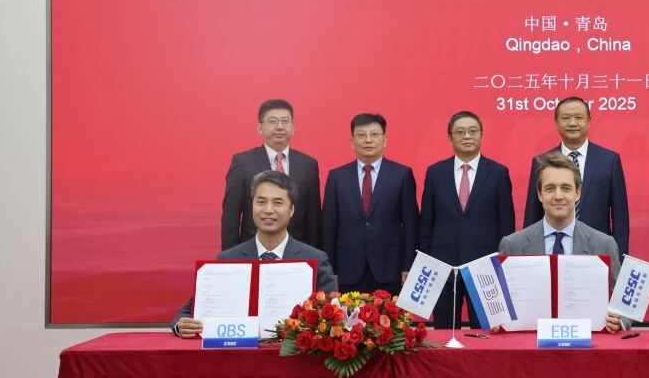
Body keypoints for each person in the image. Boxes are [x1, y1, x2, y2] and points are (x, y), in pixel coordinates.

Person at [175, 170, 337, 338]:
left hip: (292, 352)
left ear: (291, 210)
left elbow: (331, 314)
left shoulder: (315, 260)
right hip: (240, 351)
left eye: (278, 203)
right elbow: (189, 310)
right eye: (261, 202)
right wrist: (181, 325)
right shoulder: (229, 259)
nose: (268, 210)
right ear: (251, 206)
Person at [501, 153, 623, 330]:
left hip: (589, 344)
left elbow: (623, 307)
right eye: (550, 188)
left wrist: (618, 320)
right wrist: (497, 320)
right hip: (529, 344)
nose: (558, 196)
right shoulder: (513, 245)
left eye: (566, 188)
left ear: (578, 193)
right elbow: (499, 309)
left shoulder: (604, 244)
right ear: (539, 194)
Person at [418, 111, 515, 328]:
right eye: (460, 132)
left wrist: (503, 263)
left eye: (473, 131)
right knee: (444, 331)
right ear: (450, 137)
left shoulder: (498, 173)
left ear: (481, 135)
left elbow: (506, 223)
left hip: (484, 267)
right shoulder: (435, 172)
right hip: (442, 265)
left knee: (484, 332)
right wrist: (425, 260)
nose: (467, 136)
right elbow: (427, 222)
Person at [321, 113, 418, 293]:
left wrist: (408, 266)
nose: (368, 140)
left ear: (384, 139)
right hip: (348, 268)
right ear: (352, 141)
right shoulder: (337, 177)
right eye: (361, 135)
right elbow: (328, 227)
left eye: (374, 134)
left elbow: (411, 225)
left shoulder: (402, 174)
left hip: (390, 267)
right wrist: (331, 270)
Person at [522, 96, 630, 257]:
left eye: (579, 117)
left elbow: (620, 217)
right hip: (552, 250)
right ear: (556, 123)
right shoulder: (541, 162)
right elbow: (533, 215)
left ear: (589, 121)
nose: (572, 123)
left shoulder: (610, 160)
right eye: (566, 118)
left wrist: (618, 259)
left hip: (597, 252)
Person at [221, 98, 322, 250]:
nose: (280, 127)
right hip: (253, 249)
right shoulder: (242, 162)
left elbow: (313, 217)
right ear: (259, 127)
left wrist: (314, 254)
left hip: (296, 250)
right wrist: (231, 257)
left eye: (285, 121)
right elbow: (231, 215)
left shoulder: (308, 164)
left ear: (293, 127)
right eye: (273, 121)